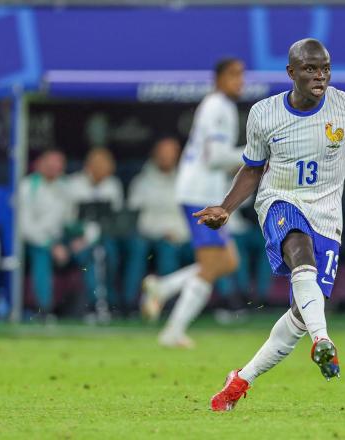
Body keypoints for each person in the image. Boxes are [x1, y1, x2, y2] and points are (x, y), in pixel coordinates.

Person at [193, 39, 345, 411]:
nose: (320, 75)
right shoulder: (264, 114)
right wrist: (228, 207)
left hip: (327, 214)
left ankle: (240, 380)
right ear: (291, 73)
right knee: (298, 249)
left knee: (299, 315)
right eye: (310, 69)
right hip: (279, 200)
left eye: (325, 68)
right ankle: (323, 341)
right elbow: (252, 168)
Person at [140, 58, 245, 348]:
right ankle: (173, 330)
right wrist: (256, 152)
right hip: (200, 193)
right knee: (211, 266)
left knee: (227, 261)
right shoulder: (217, 107)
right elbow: (215, 157)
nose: (240, 81)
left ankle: (163, 287)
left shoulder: (221, 106)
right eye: (233, 75)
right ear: (219, 78)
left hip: (204, 191)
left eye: (242, 75)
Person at [122, 137, 191, 311]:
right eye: (163, 153)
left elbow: (189, 215)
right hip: (149, 235)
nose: (166, 157)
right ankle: (130, 304)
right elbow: (136, 217)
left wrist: (179, 233)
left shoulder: (186, 179)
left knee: (172, 249)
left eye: (171, 153)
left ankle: (169, 304)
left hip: (179, 236)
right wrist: (161, 231)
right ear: (155, 155)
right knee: (147, 249)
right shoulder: (141, 182)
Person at [67, 147, 123, 315]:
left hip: (105, 237)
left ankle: (110, 302)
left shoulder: (113, 185)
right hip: (76, 237)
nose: (104, 171)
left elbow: (116, 218)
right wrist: (82, 236)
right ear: (89, 166)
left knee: (110, 255)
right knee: (91, 256)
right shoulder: (73, 184)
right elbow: (68, 220)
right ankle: (94, 304)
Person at [19, 149, 71, 319]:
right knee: (41, 255)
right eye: (50, 164)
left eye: (58, 165)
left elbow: (71, 221)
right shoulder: (27, 187)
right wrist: (51, 245)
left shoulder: (66, 187)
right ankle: (44, 309)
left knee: (93, 252)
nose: (54, 168)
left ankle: (94, 307)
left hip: (61, 240)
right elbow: (26, 228)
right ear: (40, 165)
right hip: (33, 242)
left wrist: (80, 239)